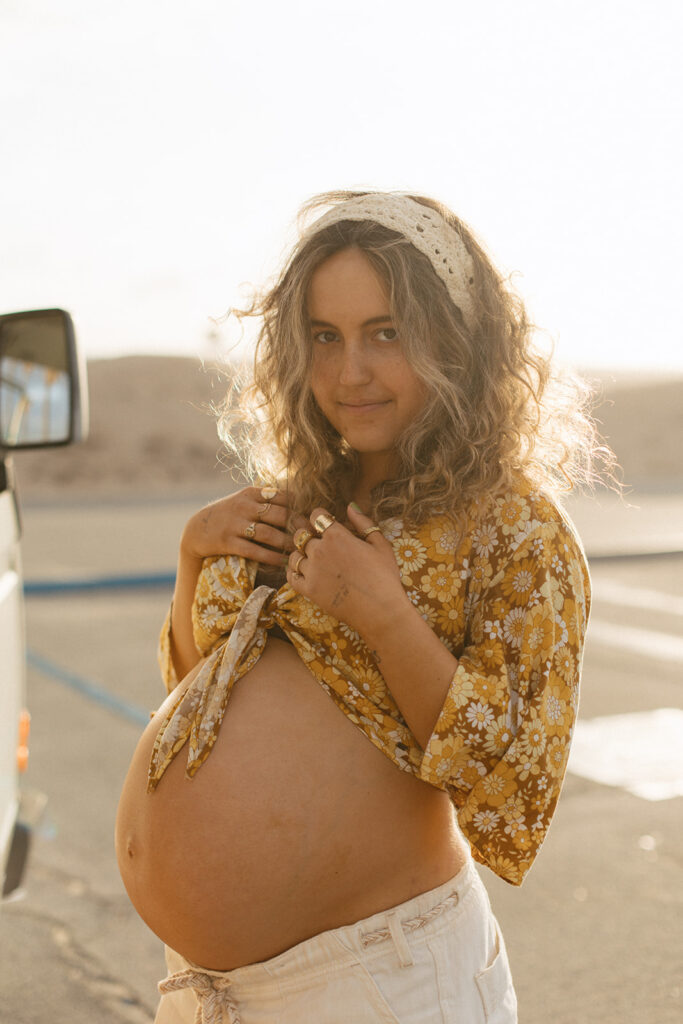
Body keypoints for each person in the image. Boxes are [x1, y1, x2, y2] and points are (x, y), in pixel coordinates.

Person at [116, 190, 604, 1023]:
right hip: (208, 990)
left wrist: (384, 616)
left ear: (458, 341)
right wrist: (192, 558)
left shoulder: (513, 528)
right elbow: (200, 707)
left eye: (387, 333)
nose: (350, 372)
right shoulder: (297, 498)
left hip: (380, 981)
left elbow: (511, 786)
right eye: (324, 337)